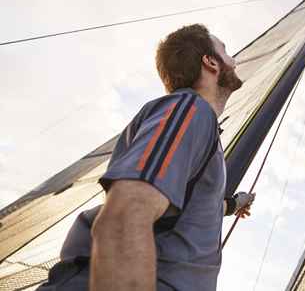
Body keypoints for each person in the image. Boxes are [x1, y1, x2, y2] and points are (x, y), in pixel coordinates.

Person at [39, 24, 255, 291]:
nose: (233, 59)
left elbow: (198, 210)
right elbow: (125, 216)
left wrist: (234, 204)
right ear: (210, 62)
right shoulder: (188, 110)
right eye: (226, 50)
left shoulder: (195, 125)